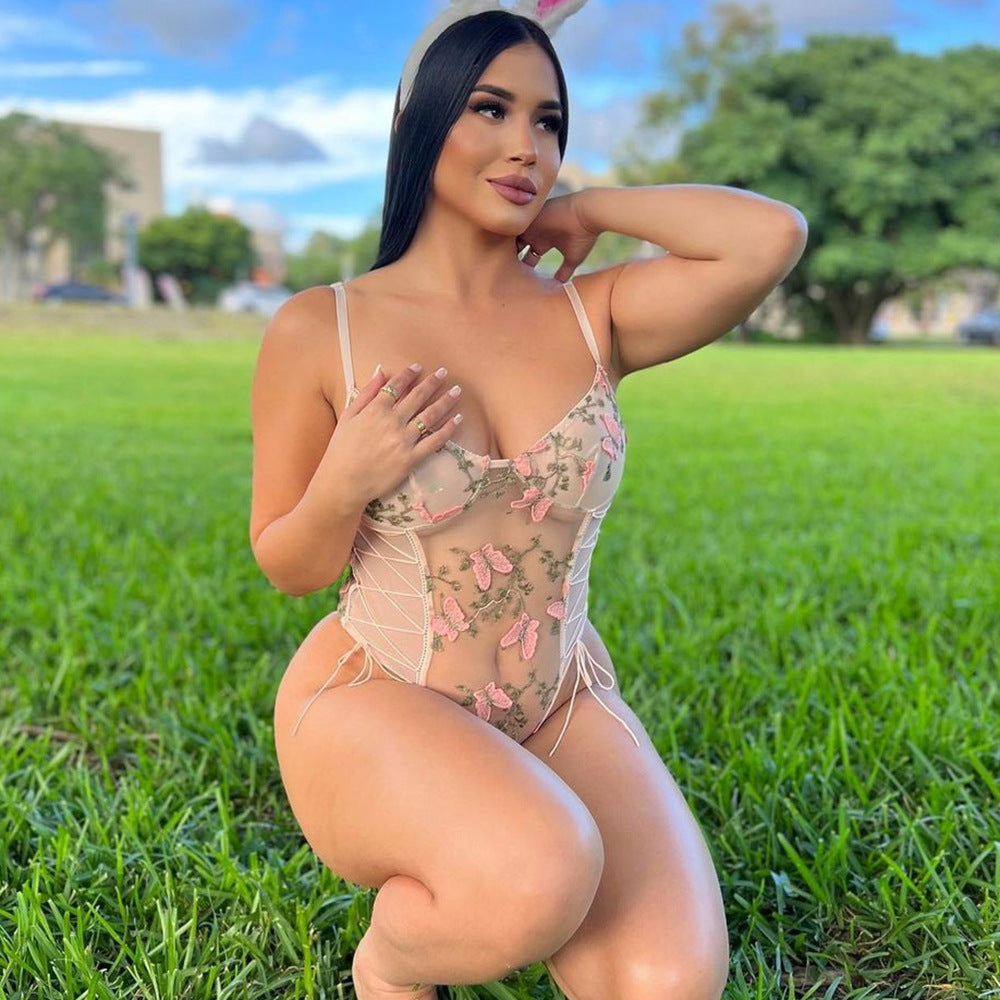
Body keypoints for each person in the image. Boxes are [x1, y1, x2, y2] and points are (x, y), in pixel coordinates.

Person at [250, 1, 806, 997]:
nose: (526, 147)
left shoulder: (594, 316)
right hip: (378, 696)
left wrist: (593, 208)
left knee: (669, 984)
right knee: (537, 874)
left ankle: (522, 836)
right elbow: (288, 564)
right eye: (490, 109)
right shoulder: (319, 328)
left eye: (548, 122)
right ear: (422, 119)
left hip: (558, 698)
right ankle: (393, 963)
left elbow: (767, 237)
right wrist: (344, 482)